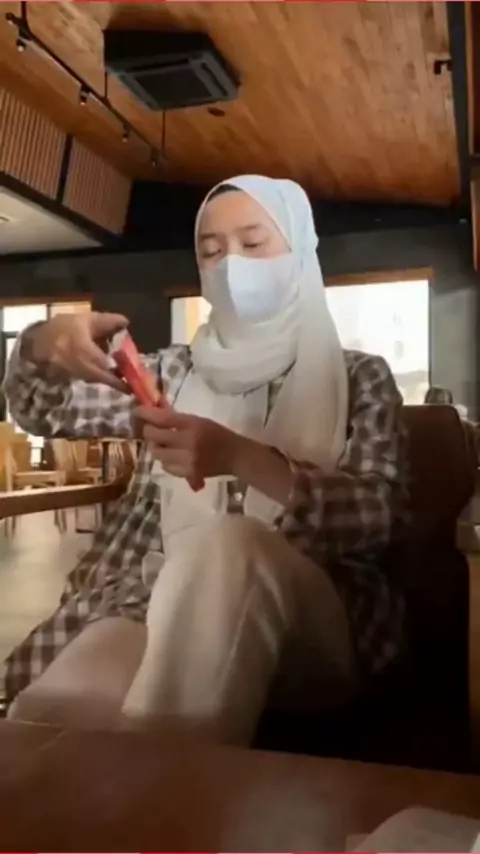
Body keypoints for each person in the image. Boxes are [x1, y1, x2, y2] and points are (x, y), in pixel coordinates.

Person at [3, 175, 409, 746]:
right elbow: (46, 410)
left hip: (315, 616)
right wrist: (44, 343)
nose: (231, 266)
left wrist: (239, 455)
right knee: (58, 709)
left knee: (230, 544)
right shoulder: (173, 373)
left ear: (300, 251)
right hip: (150, 596)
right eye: (212, 252)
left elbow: (378, 517)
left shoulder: (359, 377)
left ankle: (167, 790)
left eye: (253, 243)